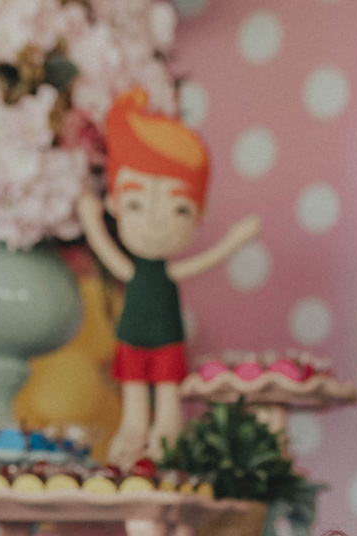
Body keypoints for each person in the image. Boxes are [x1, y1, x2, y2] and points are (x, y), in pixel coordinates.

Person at [78, 88, 260, 467]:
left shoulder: (163, 272)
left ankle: (166, 436)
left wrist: (233, 242)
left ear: (200, 213)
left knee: (167, 396)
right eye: (135, 203)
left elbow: (201, 262)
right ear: (114, 204)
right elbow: (107, 251)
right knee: (132, 398)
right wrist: (91, 221)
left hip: (167, 338)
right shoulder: (133, 270)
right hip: (132, 335)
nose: (156, 222)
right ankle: (133, 435)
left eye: (178, 208)